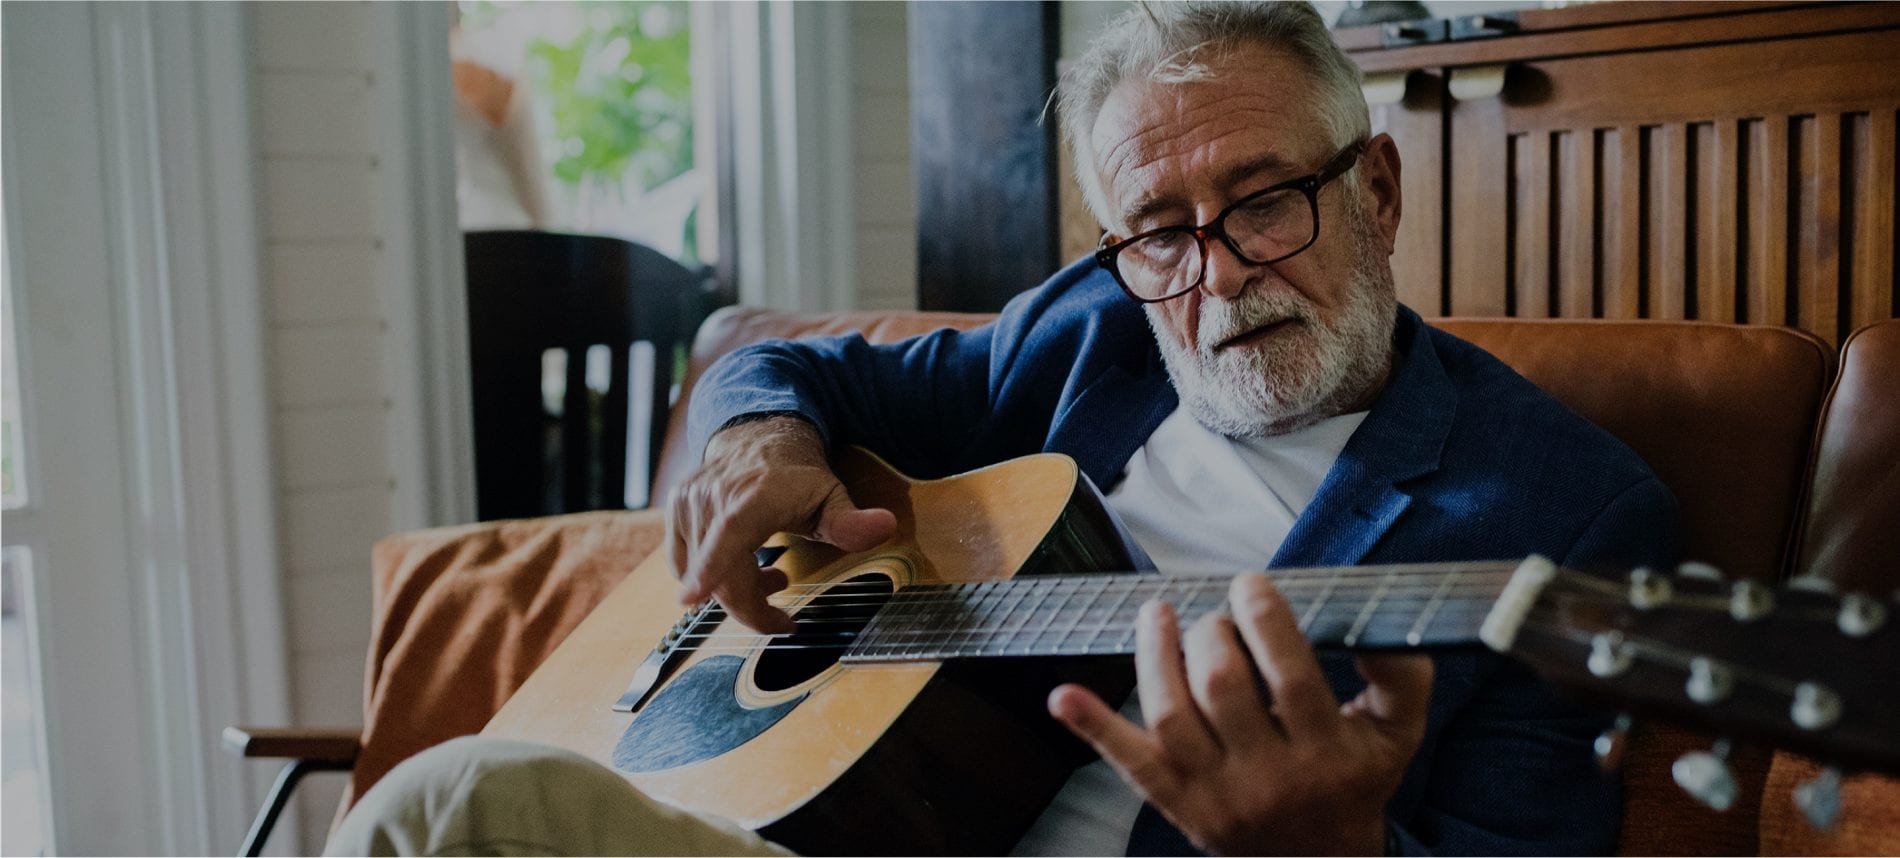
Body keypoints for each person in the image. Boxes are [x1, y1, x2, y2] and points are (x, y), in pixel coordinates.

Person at [329, 3, 1677, 855]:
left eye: (1266, 201)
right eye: (1159, 230)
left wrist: (1329, 849)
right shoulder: (1086, 329)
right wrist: (757, 440)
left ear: (1377, 185)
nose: (1215, 273)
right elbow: (796, 365)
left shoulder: (1561, 512)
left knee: (450, 810)